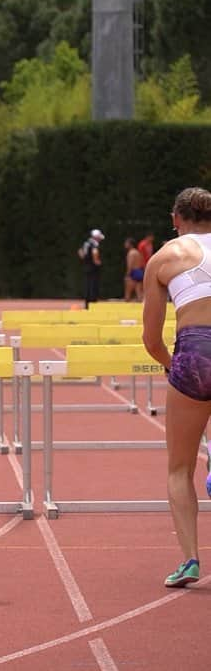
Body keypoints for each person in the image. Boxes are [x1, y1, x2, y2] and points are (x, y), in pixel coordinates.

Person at [142, 187, 211, 588]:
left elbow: (151, 339)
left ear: (175, 219)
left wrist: (174, 367)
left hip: (194, 352)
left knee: (179, 468)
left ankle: (189, 559)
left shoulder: (164, 258)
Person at [80, 228, 105, 308]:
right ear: (96, 237)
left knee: (88, 285)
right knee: (93, 285)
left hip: (86, 266)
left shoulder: (86, 243)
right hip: (93, 268)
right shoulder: (95, 244)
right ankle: (93, 303)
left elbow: (81, 253)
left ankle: (87, 304)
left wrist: (85, 260)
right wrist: (97, 262)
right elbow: (95, 252)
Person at [123, 237, 145, 302]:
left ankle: (127, 302)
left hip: (134, 271)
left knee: (128, 290)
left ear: (130, 244)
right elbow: (142, 263)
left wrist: (128, 274)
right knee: (139, 291)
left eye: (127, 243)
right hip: (139, 271)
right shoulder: (137, 252)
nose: (125, 244)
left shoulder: (131, 253)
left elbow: (130, 264)